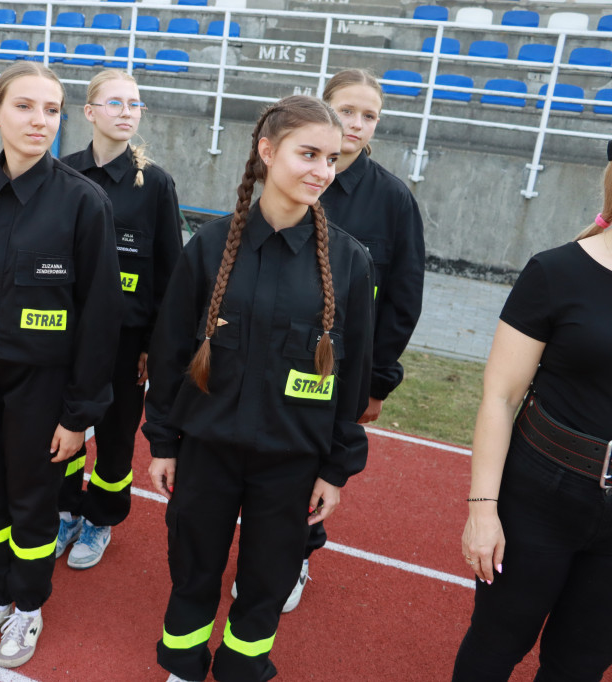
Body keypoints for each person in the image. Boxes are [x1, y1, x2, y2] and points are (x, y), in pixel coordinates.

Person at [144, 96, 374, 682]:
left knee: (268, 578)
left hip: (292, 462)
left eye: (332, 157)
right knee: (193, 567)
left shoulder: (350, 263)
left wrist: (336, 468)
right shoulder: (210, 245)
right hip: (207, 451)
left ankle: (245, 669)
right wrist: (165, 442)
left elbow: (353, 379)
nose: (323, 169)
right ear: (267, 153)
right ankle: (184, 665)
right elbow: (171, 352)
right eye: (308, 154)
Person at [0, 62, 123, 668]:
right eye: (25, 107)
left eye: (52, 109)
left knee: (32, 500)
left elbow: (99, 320)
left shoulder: (83, 202)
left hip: (41, 385)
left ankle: (28, 608)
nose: (40, 120)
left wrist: (79, 414)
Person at [451, 141, 612, 681]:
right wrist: (482, 509)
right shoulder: (555, 271)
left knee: (581, 666)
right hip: (539, 493)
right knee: (495, 647)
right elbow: (500, 397)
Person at [280, 68, 424, 611]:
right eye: (347, 111)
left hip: (336, 371)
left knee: (314, 467)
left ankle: (297, 555)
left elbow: (403, 299)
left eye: (370, 116)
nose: (357, 125)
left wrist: (378, 381)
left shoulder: (393, 200)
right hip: (272, 356)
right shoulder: (288, 177)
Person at [56, 69, 183, 569]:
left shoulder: (155, 184)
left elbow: (171, 272)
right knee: (63, 424)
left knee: (114, 434)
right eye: (115, 103)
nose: (127, 111)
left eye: (134, 104)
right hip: (66, 336)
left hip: (127, 340)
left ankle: (101, 518)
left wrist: (156, 344)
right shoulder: (62, 172)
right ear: (89, 113)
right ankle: (65, 509)